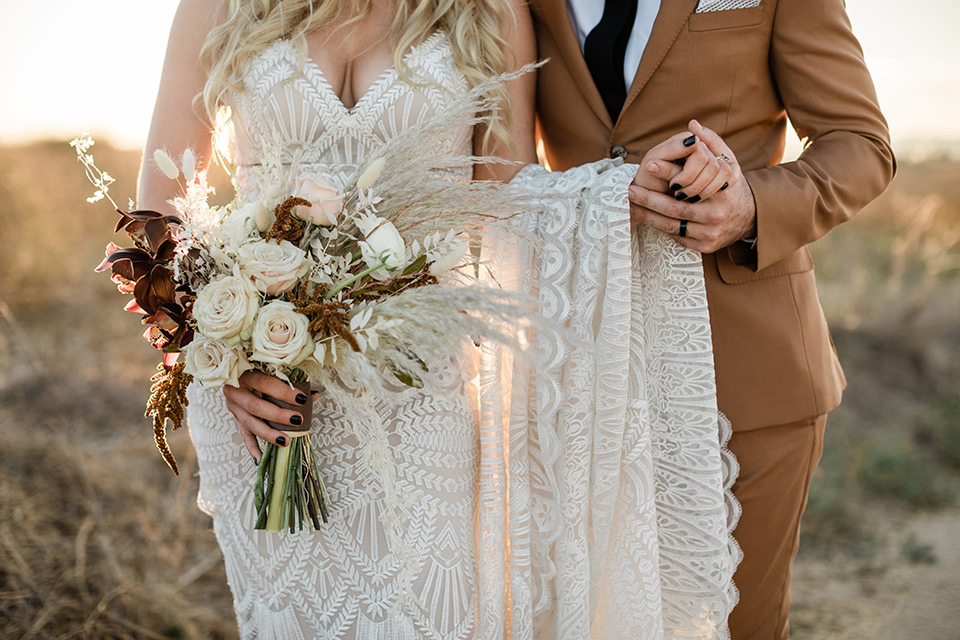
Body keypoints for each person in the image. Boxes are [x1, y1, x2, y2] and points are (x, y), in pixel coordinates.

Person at [138, 0, 743, 637]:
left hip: (421, 391)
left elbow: (512, 205)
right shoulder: (218, 7)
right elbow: (158, 221)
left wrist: (620, 192)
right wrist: (226, 351)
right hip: (260, 394)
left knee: (431, 614)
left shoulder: (490, 12)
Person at [527, 0, 896, 638]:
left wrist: (753, 204)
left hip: (750, 370)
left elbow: (861, 144)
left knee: (737, 625)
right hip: (578, 373)